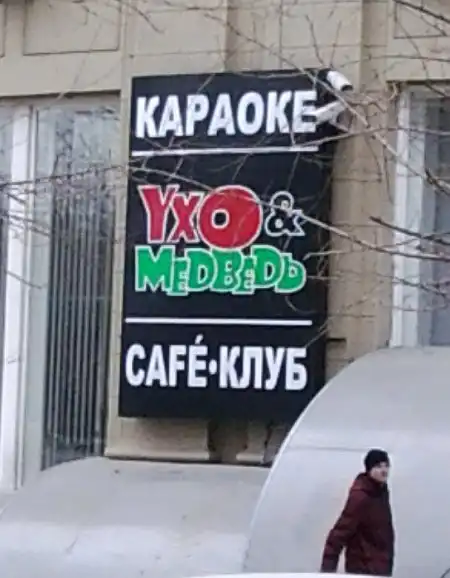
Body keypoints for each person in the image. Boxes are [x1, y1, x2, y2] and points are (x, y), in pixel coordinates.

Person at [320, 449, 395, 576]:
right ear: (369, 469)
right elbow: (339, 533)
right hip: (363, 568)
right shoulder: (361, 496)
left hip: (380, 567)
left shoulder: (380, 492)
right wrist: (327, 571)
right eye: (378, 466)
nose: (384, 470)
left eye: (386, 465)